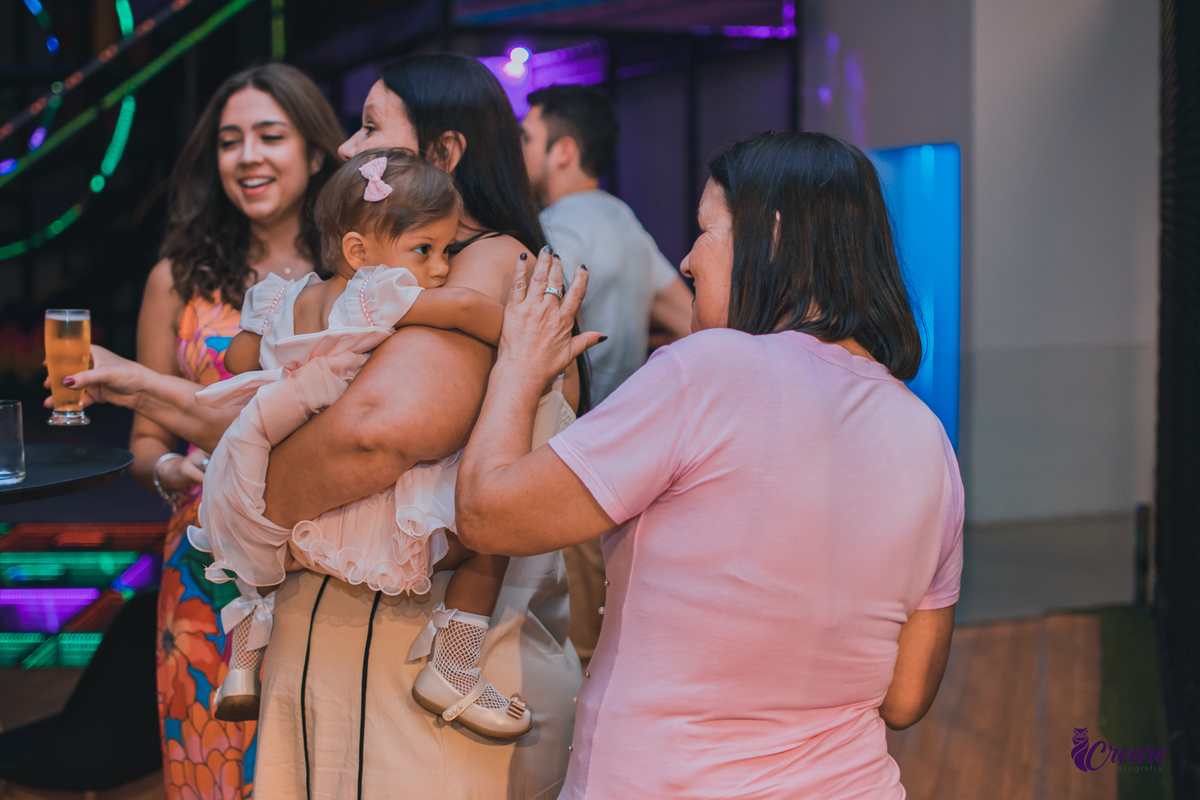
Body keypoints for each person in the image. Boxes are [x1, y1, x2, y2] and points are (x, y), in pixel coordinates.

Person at [456, 131, 964, 798]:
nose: (689, 259)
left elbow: (488, 515)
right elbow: (903, 699)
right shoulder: (930, 441)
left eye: (706, 231)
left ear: (772, 238)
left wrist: (517, 369)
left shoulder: (711, 370)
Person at [243, 54, 586, 799]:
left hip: (423, 708)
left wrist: (242, 509)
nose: (344, 147)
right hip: (340, 685)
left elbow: (381, 429)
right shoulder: (388, 281)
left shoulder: (493, 261)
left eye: (370, 126)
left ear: (445, 152)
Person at [48, 65, 345, 798]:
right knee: (211, 757)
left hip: (328, 553)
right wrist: (164, 472)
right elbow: (147, 440)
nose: (248, 157)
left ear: (314, 153)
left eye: (271, 137)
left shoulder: (353, 271)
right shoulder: (176, 279)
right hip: (204, 562)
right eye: (230, 141)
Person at [194, 149, 532, 739]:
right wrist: (530, 338)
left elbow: (237, 358)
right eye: (426, 250)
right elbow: (459, 309)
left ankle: (241, 668)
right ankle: (453, 667)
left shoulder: (283, 297)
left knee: (255, 572)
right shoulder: (375, 293)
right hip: (338, 466)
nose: (440, 268)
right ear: (358, 252)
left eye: (449, 251)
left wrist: (287, 357)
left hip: (255, 450)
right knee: (491, 533)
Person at [520, 84, 692, 664]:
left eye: (527, 138)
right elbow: (690, 319)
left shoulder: (555, 228)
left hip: (564, 460)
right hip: (628, 462)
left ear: (563, 151)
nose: (518, 151)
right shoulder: (623, 219)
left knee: (569, 645)